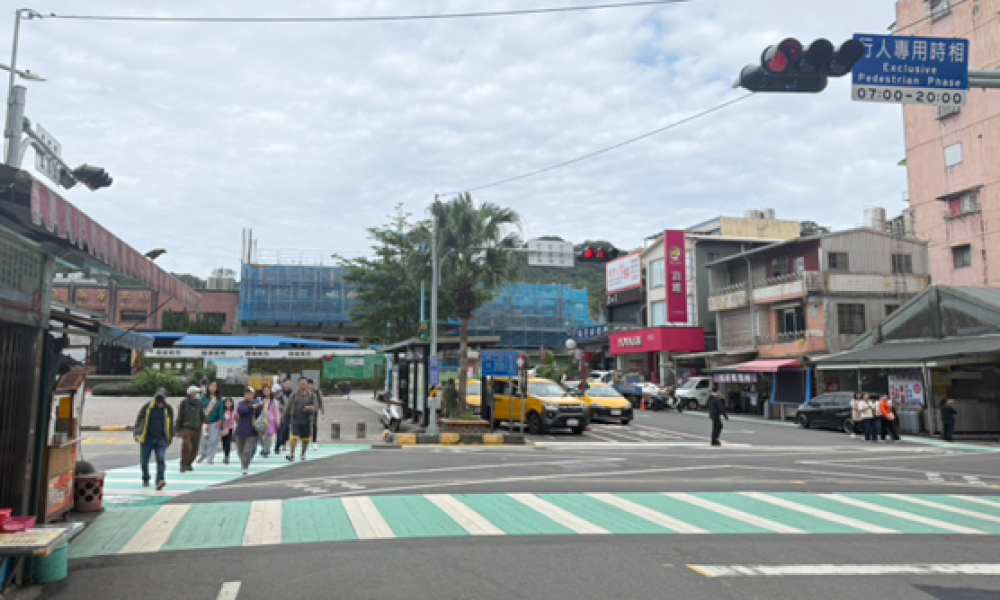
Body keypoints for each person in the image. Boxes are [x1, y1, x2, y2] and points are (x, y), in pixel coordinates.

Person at [134, 388, 174, 490]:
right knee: (144, 461)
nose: (159, 404)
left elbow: (171, 424)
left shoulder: (168, 409)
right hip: (147, 438)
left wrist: (170, 437)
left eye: (161, 402)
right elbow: (139, 420)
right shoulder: (147, 407)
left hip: (161, 438)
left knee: (161, 459)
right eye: (158, 402)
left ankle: (160, 480)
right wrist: (137, 434)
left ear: (166, 399)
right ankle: (146, 478)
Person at [284, 378, 318, 461]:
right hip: (296, 419)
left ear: (307, 385)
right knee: (294, 437)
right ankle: (292, 454)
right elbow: (288, 406)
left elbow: (316, 407)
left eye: (304, 383)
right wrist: (284, 416)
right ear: (298, 384)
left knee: (306, 439)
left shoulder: (312, 395)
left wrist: (309, 408)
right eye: (301, 383)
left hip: (307, 420)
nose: (303, 385)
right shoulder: (294, 395)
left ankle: (303, 453)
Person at [175, 385, 206, 472]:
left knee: (195, 448)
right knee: (187, 446)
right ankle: (183, 464)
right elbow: (180, 416)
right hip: (187, 428)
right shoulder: (184, 403)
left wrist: (205, 422)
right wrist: (177, 430)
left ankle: (189, 463)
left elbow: (202, 414)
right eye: (195, 392)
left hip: (197, 428)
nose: (196, 394)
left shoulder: (199, 403)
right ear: (191, 393)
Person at [234, 387, 262, 475]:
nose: (248, 395)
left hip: (252, 431)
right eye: (246, 394)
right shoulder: (242, 404)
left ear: (254, 395)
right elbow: (241, 411)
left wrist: (260, 407)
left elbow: (261, 415)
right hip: (240, 431)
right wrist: (251, 407)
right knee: (240, 451)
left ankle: (245, 466)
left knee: (247, 450)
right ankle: (244, 463)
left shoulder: (257, 404)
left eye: (250, 394)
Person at [197, 380, 225, 465]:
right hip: (205, 422)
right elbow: (201, 409)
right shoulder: (203, 398)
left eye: (215, 386)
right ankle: (202, 454)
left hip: (214, 422)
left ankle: (210, 458)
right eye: (211, 386)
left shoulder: (219, 400)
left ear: (217, 388)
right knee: (203, 440)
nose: (213, 387)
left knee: (213, 440)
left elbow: (221, 411)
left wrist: (221, 420)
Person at [257, 385, 282, 458]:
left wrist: (278, 422)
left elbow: (277, 412)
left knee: (268, 436)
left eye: (267, 390)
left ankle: (266, 450)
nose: (266, 392)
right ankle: (264, 447)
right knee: (259, 435)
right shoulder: (261, 400)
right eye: (265, 391)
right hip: (261, 420)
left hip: (270, 420)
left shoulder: (274, 401)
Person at [276, 380, 293, 454]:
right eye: (286, 383)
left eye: (289, 384)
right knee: (281, 430)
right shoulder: (280, 394)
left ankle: (284, 443)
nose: (288, 385)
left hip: (289, 414)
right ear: (283, 385)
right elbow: (277, 404)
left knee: (287, 429)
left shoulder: (293, 393)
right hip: (281, 414)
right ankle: (279, 445)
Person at [308, 379, 325, 449]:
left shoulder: (317, 392)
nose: (309, 387)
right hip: (307, 411)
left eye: (310, 385)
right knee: (307, 426)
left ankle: (314, 442)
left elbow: (321, 402)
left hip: (314, 411)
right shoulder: (305, 392)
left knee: (314, 425)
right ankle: (307, 442)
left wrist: (323, 413)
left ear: (313, 385)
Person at [219, 397, 237, 464]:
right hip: (223, 429)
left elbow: (236, 419)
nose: (228, 404)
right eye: (226, 403)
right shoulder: (222, 411)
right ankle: (225, 455)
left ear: (232, 403)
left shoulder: (233, 411)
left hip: (229, 429)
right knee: (223, 443)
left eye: (229, 402)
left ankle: (227, 456)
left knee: (227, 442)